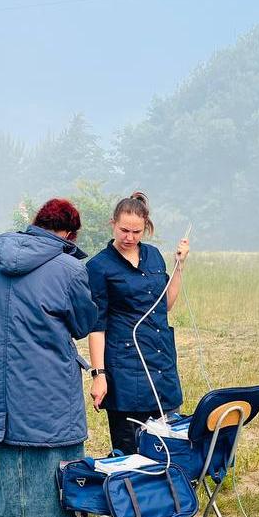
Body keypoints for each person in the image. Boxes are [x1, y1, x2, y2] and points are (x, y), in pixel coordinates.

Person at [0, 198, 98, 517]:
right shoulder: (68, 268)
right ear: (68, 234)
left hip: (0, 383)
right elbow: (83, 323)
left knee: (9, 464)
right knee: (48, 467)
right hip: (47, 384)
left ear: (35, 224)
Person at [86, 192, 191, 457]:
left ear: (146, 228)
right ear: (112, 224)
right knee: (131, 453)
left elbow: (165, 304)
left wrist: (179, 266)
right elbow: (97, 326)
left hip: (161, 363)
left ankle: (168, 496)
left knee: (167, 446)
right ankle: (132, 497)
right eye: (124, 230)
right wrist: (99, 375)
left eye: (136, 231)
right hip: (125, 369)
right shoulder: (99, 266)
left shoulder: (154, 256)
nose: (129, 237)